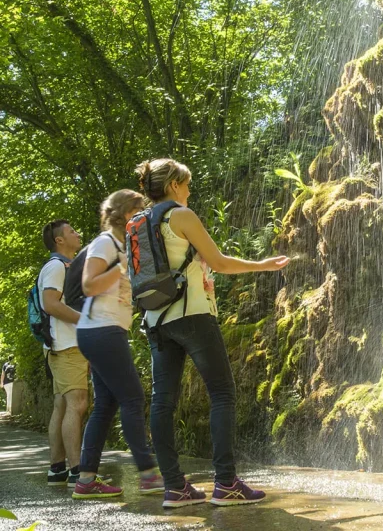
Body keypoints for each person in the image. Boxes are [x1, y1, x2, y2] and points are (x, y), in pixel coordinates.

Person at [135, 158, 288, 508]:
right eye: (186, 184)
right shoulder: (180, 215)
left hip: (156, 320)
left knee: (162, 403)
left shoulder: (139, 221)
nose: (189, 191)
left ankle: (174, 486)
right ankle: (226, 482)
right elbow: (218, 263)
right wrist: (263, 265)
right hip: (191, 314)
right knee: (222, 393)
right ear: (173, 184)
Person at [72, 189, 164, 499]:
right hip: (101, 330)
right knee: (133, 398)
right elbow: (88, 285)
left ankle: (86, 479)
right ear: (126, 214)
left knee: (107, 404)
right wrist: (121, 266)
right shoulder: (104, 243)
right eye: (139, 212)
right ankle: (149, 474)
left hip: (99, 330)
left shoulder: (119, 245)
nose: (143, 218)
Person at [38, 220, 87, 486]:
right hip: (67, 345)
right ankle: (78, 471)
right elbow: (50, 304)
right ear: (59, 241)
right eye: (72, 231)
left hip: (60, 345)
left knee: (62, 405)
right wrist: (86, 319)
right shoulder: (57, 266)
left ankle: (57, 468)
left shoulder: (64, 266)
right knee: (78, 404)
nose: (77, 234)